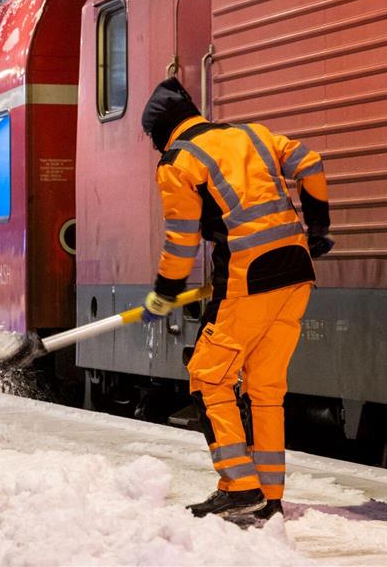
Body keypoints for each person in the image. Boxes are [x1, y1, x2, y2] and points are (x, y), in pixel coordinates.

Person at [139, 76, 333, 525]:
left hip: (250, 275)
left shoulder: (178, 161)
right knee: (265, 388)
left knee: (208, 377)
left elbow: (182, 240)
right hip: (298, 271)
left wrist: (164, 293)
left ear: (162, 130)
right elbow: (311, 161)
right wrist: (318, 227)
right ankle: (269, 496)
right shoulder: (252, 134)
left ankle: (238, 485)